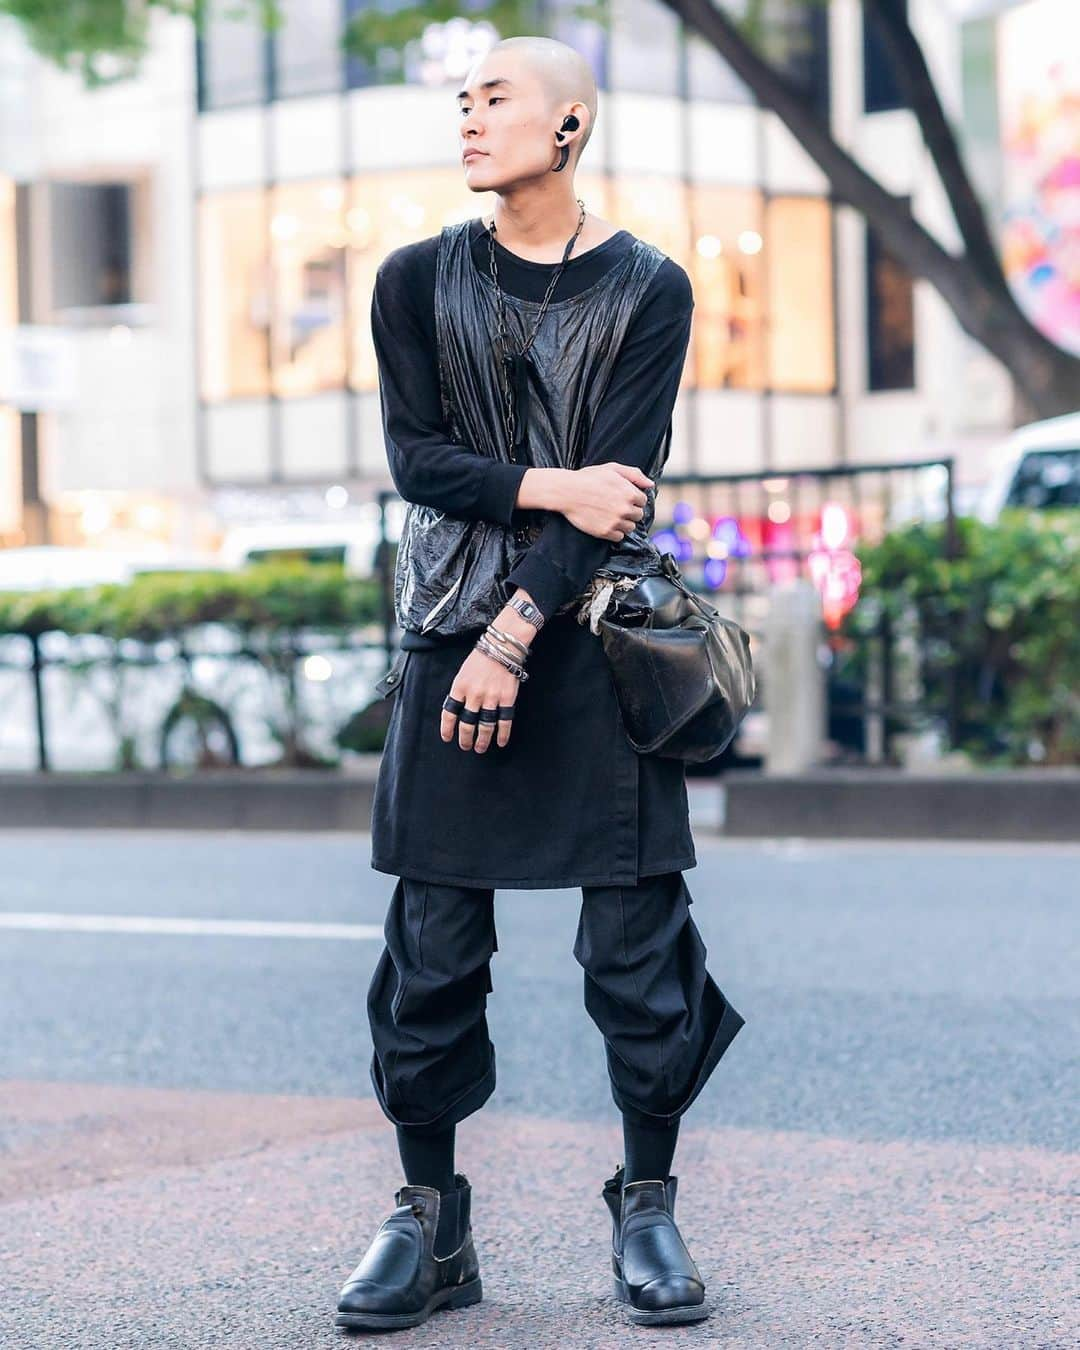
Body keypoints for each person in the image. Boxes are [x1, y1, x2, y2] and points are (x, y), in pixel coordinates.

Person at [334, 35, 745, 1334]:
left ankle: (649, 1197)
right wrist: (544, 488)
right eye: (461, 100)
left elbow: (619, 492)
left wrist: (522, 627)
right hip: (446, 640)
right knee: (433, 951)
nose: (469, 116)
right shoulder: (414, 281)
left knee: (637, 951)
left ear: (570, 126)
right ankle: (427, 1217)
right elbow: (419, 459)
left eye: (496, 97)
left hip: (591, 655)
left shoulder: (649, 288)